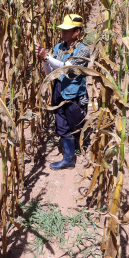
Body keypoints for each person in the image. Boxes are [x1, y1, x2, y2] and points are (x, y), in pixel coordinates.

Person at [35, 14, 90, 170]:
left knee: (75, 123)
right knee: (62, 125)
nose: (63, 33)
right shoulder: (59, 47)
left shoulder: (83, 51)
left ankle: (78, 144)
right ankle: (68, 159)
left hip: (75, 94)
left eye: (68, 30)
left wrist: (47, 56)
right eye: (63, 30)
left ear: (77, 32)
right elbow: (50, 73)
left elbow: (67, 68)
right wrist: (45, 60)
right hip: (59, 91)